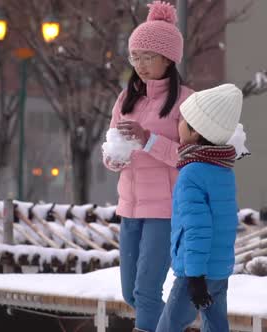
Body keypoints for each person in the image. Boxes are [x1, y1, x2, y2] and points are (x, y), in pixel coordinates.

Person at [102, 2, 194, 331]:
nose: (140, 64)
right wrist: (113, 156)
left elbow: (190, 158)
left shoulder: (187, 101)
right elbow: (112, 149)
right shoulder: (126, 98)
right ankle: (178, 322)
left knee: (146, 291)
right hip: (129, 206)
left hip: (165, 210)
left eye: (148, 57)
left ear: (169, 58)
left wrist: (149, 139)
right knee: (132, 293)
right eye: (135, 56)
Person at [156, 84, 243, 332]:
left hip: (195, 272)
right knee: (215, 325)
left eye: (183, 120)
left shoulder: (192, 173)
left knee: (169, 326)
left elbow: (197, 228)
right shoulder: (223, 170)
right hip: (219, 269)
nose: (178, 124)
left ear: (195, 132)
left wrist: (194, 277)